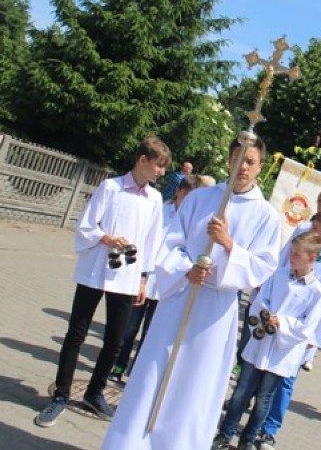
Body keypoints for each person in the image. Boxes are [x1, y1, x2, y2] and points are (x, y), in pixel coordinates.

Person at [102, 136, 281, 450]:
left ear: (260, 168)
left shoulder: (266, 215)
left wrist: (228, 244)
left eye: (250, 162)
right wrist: (187, 269)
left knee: (195, 385)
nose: (243, 168)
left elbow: (262, 267)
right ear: (229, 161)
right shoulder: (200, 199)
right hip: (181, 295)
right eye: (238, 160)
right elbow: (170, 241)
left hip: (215, 310)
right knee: (154, 373)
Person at [35, 137, 169, 428]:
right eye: (158, 165)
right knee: (77, 333)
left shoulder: (154, 200)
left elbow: (152, 241)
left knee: (116, 340)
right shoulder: (111, 188)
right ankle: (60, 394)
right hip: (96, 270)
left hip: (127, 276)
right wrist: (104, 237)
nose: (161, 172)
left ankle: (95, 393)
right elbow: (87, 223)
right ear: (142, 160)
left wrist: (144, 278)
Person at [212, 232, 321, 450]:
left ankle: (248, 439)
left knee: (264, 398)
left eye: (297, 255)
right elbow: (260, 301)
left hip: (283, 352)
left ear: (312, 258)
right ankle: (225, 434)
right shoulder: (279, 275)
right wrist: (266, 316)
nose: (291, 257)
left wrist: (281, 322)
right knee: (241, 391)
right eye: (291, 252)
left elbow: (307, 327)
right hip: (261, 342)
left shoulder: (316, 291)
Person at [254, 212, 321, 449]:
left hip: (302, 330)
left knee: (285, 380)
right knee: (261, 367)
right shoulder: (300, 248)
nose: (310, 229)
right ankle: (252, 416)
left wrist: (315, 338)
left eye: (316, 227)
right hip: (277, 319)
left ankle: (270, 429)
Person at [110, 174, 213, 383]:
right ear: (178, 192)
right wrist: (142, 274)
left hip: (169, 283)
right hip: (146, 277)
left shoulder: (195, 220)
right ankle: (118, 364)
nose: (187, 202)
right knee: (130, 326)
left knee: (151, 331)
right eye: (185, 196)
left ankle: (137, 371)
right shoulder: (162, 210)